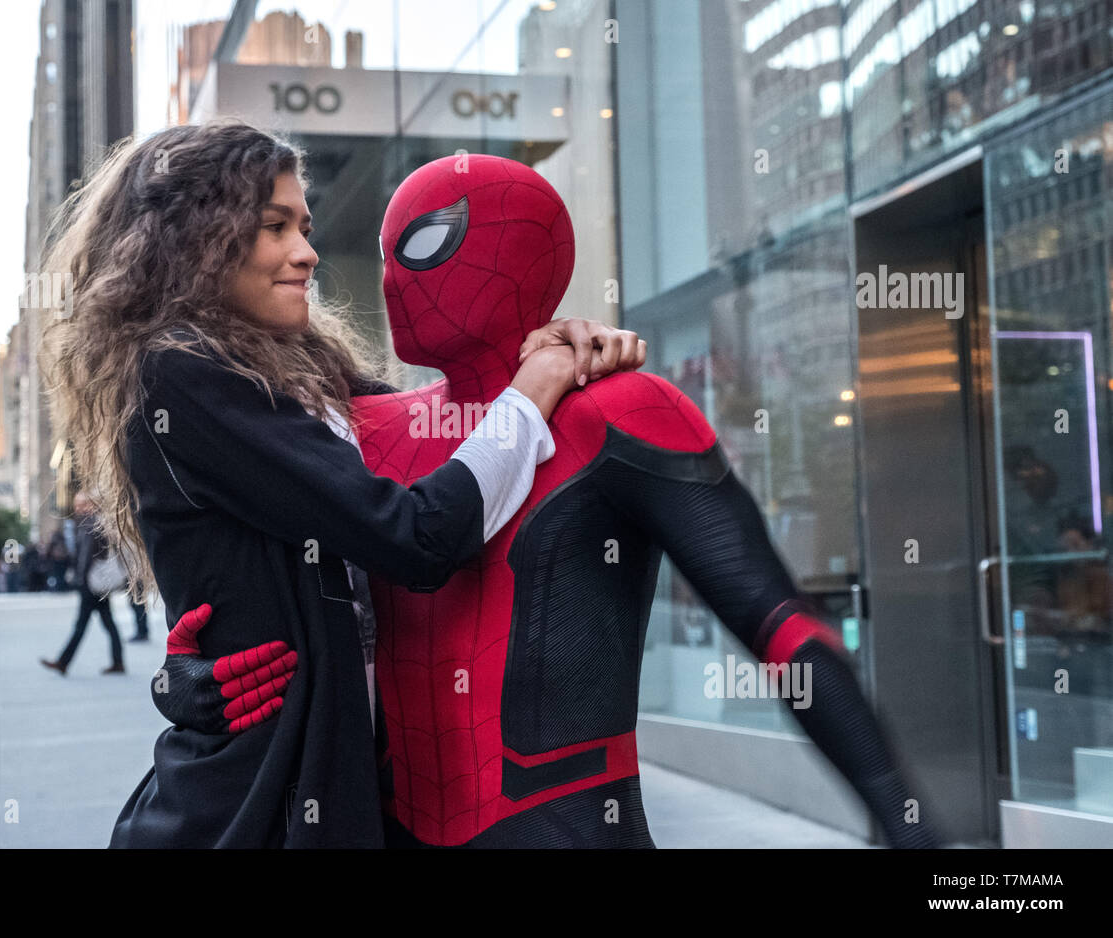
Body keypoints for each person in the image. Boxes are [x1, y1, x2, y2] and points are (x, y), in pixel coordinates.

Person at [160, 155, 941, 848]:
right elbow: (237, 566)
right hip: (383, 822)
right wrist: (186, 681)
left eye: (425, 242)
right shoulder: (351, 425)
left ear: (526, 251)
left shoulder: (617, 411)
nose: (394, 275)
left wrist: (911, 824)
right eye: (385, 251)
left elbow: (778, 626)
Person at [37, 120, 642, 847]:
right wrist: (533, 388)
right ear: (196, 241)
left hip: (357, 782)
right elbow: (416, 532)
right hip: (258, 807)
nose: (307, 252)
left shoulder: (301, 364)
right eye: (274, 227)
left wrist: (555, 353)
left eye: (306, 226)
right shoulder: (185, 373)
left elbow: (448, 444)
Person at [39, 491, 125, 676]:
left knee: (82, 625)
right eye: (77, 504)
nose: (78, 508)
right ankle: (117, 661)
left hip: (90, 583)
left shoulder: (89, 524)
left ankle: (63, 662)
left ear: (92, 505)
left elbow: (86, 555)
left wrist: (80, 578)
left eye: (82, 504)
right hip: (96, 582)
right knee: (107, 623)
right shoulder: (95, 523)